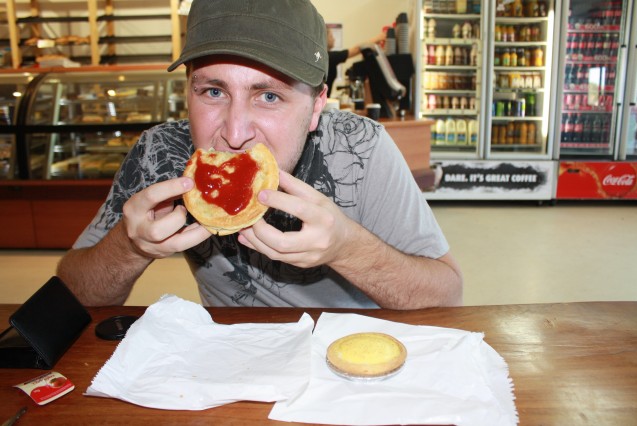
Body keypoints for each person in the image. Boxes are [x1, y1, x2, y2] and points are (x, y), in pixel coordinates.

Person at [56, 0, 463, 309]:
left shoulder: (360, 147)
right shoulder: (161, 153)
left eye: (269, 96)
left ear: (316, 105)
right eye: (213, 91)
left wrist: (347, 247)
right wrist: (129, 247)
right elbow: (72, 296)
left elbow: (447, 295)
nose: (234, 135)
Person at [326, 27, 386, 97]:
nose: (334, 39)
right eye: (331, 36)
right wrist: (378, 38)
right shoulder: (329, 57)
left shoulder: (327, 56)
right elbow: (356, 49)